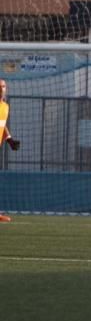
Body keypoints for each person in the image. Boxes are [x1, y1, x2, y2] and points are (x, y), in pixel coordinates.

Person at [0, 78, 19, 222]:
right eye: (0, 86)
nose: (2, 88)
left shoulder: (5, 106)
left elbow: (2, 125)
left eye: (4, 86)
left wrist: (9, 139)